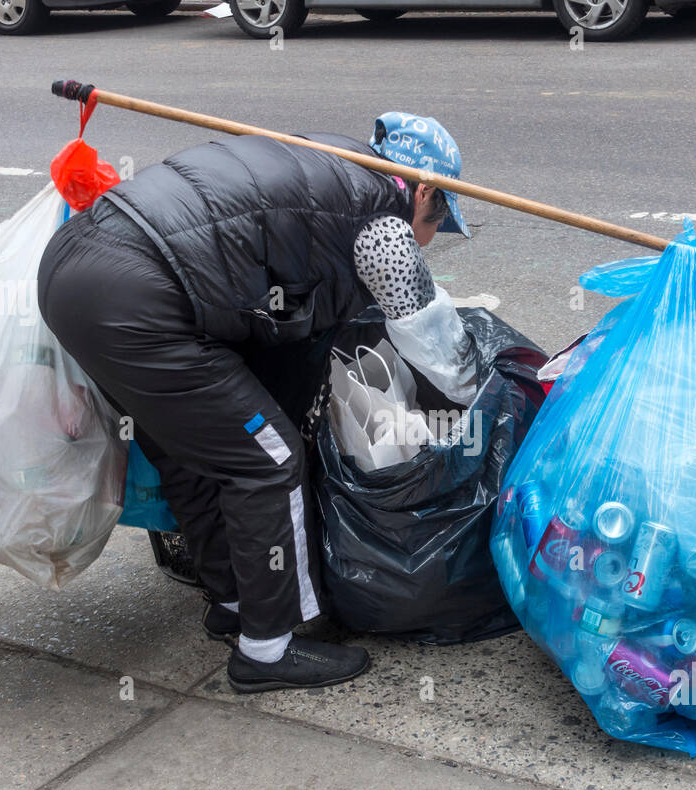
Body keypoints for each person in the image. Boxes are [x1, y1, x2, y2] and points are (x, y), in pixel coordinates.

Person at [38, 112, 473, 693]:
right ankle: (269, 648)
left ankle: (233, 602)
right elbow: (429, 338)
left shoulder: (324, 153)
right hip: (140, 296)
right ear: (423, 189)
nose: (430, 234)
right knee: (268, 459)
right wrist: (479, 396)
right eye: (439, 214)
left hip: (76, 267)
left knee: (190, 451)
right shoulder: (383, 219)